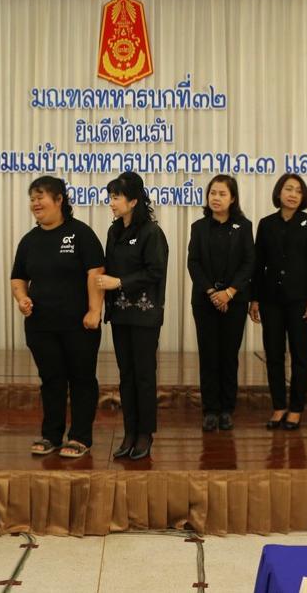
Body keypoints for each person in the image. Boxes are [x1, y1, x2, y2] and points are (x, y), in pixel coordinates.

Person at [11, 176, 105, 458]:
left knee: (81, 379)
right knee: (51, 379)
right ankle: (51, 435)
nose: (35, 203)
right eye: (32, 199)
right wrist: (22, 299)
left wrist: (94, 311)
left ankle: (80, 437)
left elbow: (96, 273)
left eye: (40, 197)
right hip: (41, 326)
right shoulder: (29, 240)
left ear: (59, 199)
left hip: (79, 325)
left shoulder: (80, 234)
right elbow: (18, 278)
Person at [97, 172, 169, 460]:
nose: (111, 202)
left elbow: (155, 271)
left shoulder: (151, 232)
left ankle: (145, 433)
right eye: (111, 197)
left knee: (144, 376)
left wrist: (119, 282)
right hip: (120, 314)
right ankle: (129, 431)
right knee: (126, 376)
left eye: (116, 197)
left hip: (144, 315)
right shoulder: (114, 232)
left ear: (134, 201)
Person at [249, 173, 307, 430]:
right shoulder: (266, 224)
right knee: (273, 354)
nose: (293, 194)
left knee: (301, 354)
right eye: (288, 189)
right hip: (271, 300)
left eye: (298, 191)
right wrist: (254, 298)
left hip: (301, 300)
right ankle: (279, 406)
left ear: (303, 197)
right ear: (279, 192)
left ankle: (296, 408)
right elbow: (258, 264)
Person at [187, 174, 255, 432]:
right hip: (205, 301)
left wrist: (229, 292)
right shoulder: (199, 227)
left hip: (234, 301)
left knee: (228, 355)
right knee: (209, 355)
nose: (216, 198)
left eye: (222, 194)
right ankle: (210, 410)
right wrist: (212, 292)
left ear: (233, 198)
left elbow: (249, 263)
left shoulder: (244, 226)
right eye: (213, 193)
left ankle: (227, 409)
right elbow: (193, 262)